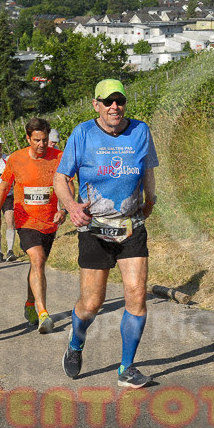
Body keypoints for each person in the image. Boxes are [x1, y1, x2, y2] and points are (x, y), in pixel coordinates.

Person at [56, 79, 157, 388]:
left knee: (137, 294)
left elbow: (148, 171)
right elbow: (61, 178)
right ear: (96, 104)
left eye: (120, 100)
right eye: (108, 101)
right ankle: (76, 343)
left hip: (130, 226)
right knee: (91, 304)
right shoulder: (82, 134)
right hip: (94, 227)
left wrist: (150, 200)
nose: (115, 106)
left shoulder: (140, 130)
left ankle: (126, 368)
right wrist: (72, 206)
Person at [0, 118, 65, 334]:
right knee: (37, 259)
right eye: (36, 140)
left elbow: (68, 184)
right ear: (27, 138)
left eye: (44, 140)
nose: (41, 145)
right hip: (25, 220)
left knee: (37, 266)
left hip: (50, 221)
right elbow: (3, 188)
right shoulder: (16, 159)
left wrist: (64, 209)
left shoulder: (58, 158)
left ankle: (30, 304)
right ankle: (43, 314)